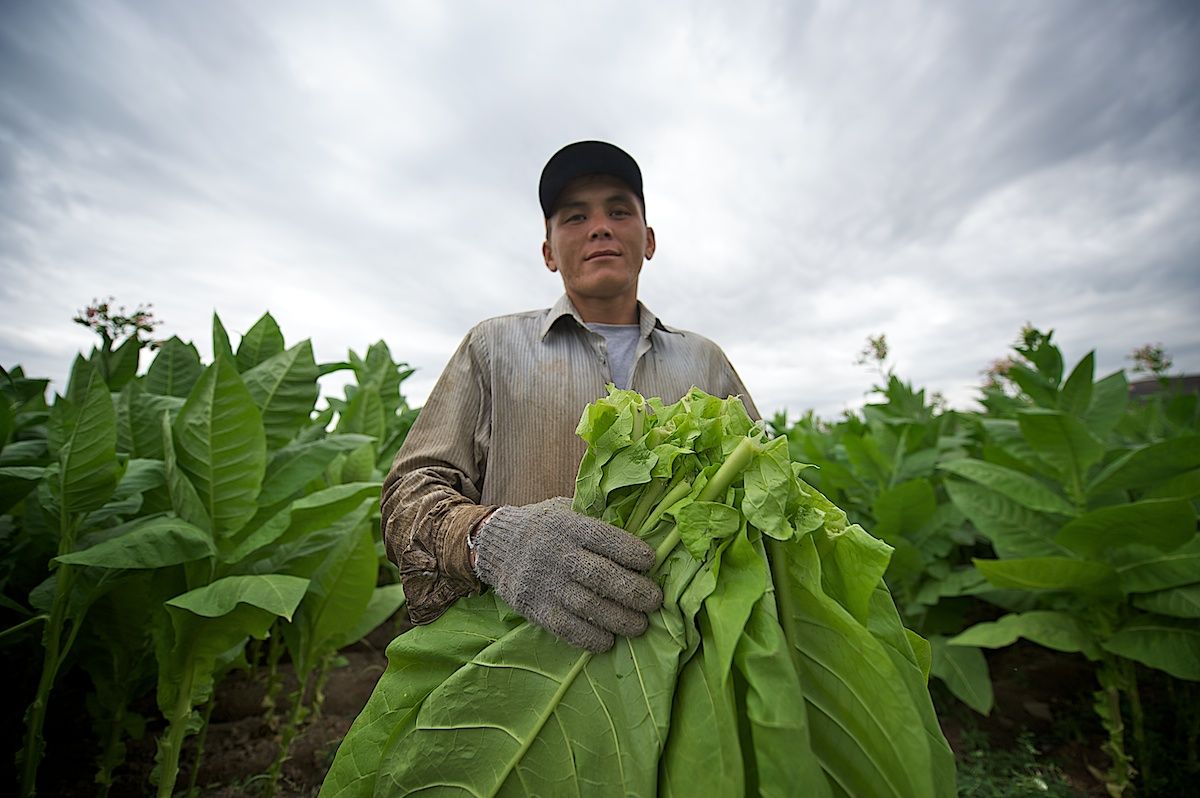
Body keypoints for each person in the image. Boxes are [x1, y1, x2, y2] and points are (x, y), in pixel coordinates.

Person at [381, 140, 758, 654]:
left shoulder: (705, 361)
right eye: (575, 216)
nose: (600, 226)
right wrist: (491, 540)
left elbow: (764, 496)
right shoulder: (493, 347)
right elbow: (409, 494)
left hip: (689, 662)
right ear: (548, 252)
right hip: (516, 659)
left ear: (647, 240)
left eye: (619, 211)